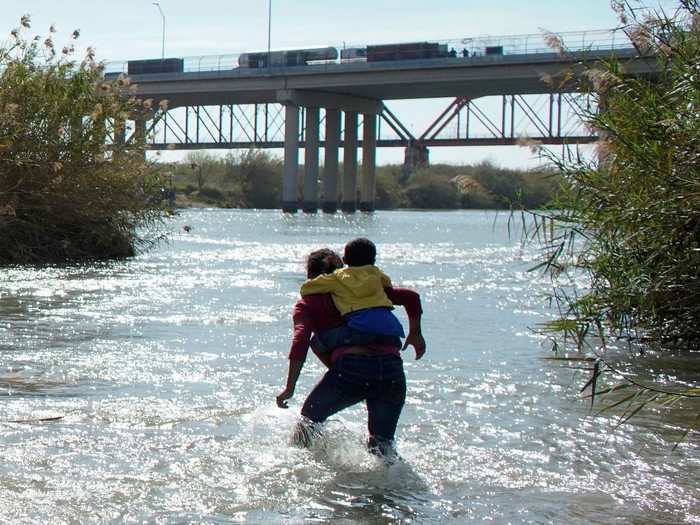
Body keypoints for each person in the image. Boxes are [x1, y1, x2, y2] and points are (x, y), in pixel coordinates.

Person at [276, 246, 426, 458]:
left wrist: (289, 388)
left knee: (309, 420)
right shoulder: (370, 291)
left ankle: (292, 468)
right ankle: (389, 490)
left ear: (310, 276)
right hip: (392, 369)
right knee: (382, 445)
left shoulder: (308, 303)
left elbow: (301, 340)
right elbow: (411, 297)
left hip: (352, 370)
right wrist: (416, 334)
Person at [299, 238, 405, 355]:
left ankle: (334, 367)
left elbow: (307, 288)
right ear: (374, 260)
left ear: (345, 260)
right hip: (391, 330)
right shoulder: (378, 275)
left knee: (317, 343)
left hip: (360, 330)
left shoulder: (338, 278)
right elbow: (388, 285)